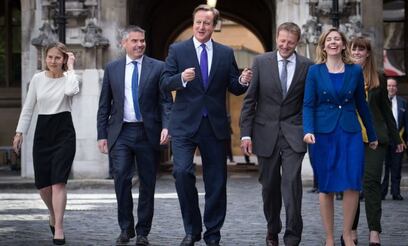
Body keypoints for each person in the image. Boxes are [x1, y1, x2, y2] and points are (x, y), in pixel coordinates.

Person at [160, 4, 252, 246]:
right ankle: (192, 229)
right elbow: (164, 83)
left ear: (214, 26)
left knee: (216, 182)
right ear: (193, 23)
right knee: (181, 173)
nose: (202, 27)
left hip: (214, 125)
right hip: (184, 125)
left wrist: (242, 80)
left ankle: (213, 233)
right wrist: (180, 79)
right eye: (198, 22)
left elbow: (234, 85)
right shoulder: (178, 50)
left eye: (207, 23)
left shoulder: (224, 53)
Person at [96, 25, 172, 246]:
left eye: (142, 41)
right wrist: (102, 134)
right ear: (124, 43)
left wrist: (166, 126)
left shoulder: (158, 67)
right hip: (121, 133)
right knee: (121, 178)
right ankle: (125, 228)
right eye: (135, 41)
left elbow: (166, 101)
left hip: (148, 133)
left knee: (148, 183)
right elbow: (104, 104)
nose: (140, 45)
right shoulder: (113, 68)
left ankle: (143, 232)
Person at [303, 29, 378, 246]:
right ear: (323, 46)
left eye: (337, 39)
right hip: (322, 134)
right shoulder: (314, 72)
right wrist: (308, 130)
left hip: (350, 132)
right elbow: (308, 104)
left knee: (353, 183)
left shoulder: (354, 71)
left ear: (344, 45)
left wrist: (371, 135)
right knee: (326, 185)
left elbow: (362, 105)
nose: (333, 42)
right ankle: (329, 238)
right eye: (329, 40)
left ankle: (347, 234)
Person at [240, 22, 313, 246]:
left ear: (297, 43)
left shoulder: (307, 65)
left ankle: (292, 236)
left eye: (290, 42)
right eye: (282, 41)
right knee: (269, 185)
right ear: (277, 39)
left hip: (294, 134)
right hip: (265, 133)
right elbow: (250, 100)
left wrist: (308, 129)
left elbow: (309, 102)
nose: (285, 45)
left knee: (291, 183)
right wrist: (245, 134)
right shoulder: (261, 62)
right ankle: (273, 228)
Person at [12, 42, 78, 245]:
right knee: (43, 185)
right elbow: (28, 107)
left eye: (58, 57)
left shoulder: (70, 78)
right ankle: (52, 212)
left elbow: (71, 91)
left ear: (64, 59)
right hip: (43, 132)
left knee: (58, 181)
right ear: (45, 58)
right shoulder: (37, 79)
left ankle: (59, 227)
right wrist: (19, 132)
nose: (53, 61)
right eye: (50, 57)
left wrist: (72, 67)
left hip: (64, 131)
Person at [348, 37, 403, 246]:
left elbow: (387, 113)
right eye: (354, 49)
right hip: (350, 137)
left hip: (374, 140)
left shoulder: (378, 78)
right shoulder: (342, 75)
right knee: (352, 185)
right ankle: (351, 231)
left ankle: (374, 231)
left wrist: (397, 138)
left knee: (371, 182)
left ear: (368, 53)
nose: (357, 52)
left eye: (361, 49)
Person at [381, 77, 408, 200]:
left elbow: (407, 122)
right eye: (389, 86)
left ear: (397, 88)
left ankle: (396, 192)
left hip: (398, 140)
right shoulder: (381, 102)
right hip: (383, 140)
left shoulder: (403, 102)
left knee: (397, 167)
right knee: (384, 168)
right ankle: (382, 193)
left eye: (393, 86)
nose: (391, 88)